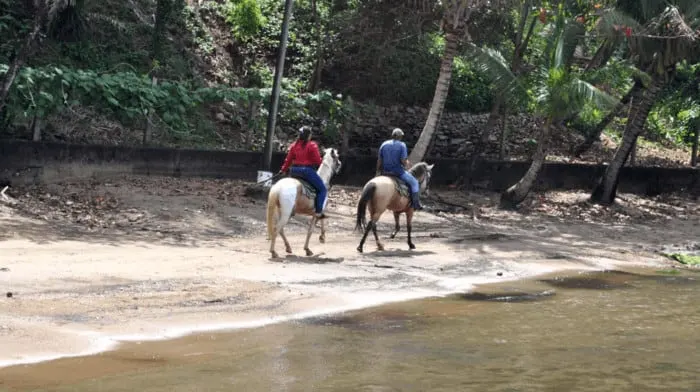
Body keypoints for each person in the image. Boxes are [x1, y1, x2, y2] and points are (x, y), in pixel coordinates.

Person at [279, 126, 327, 219]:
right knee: (322, 190)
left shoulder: (294, 145)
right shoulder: (312, 145)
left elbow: (288, 160)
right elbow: (317, 161)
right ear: (309, 136)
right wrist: (321, 160)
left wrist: (283, 170)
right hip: (307, 172)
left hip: (294, 171)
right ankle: (318, 212)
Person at [376, 128, 422, 210]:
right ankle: (415, 204)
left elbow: (379, 160)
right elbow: (403, 161)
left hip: (385, 171)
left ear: (392, 135)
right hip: (398, 172)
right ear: (400, 137)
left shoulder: (384, 144)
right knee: (415, 182)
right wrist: (407, 163)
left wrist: (378, 172)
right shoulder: (402, 145)